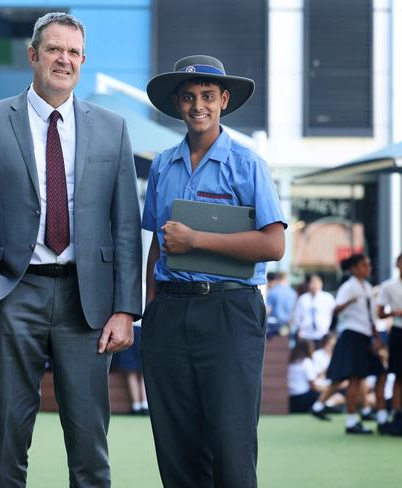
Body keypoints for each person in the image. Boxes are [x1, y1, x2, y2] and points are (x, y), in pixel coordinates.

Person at [0, 12, 141, 487]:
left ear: (83, 61)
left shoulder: (112, 128)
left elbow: (126, 226)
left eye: (74, 52)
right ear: (33, 55)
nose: (65, 59)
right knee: (9, 436)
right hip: (13, 293)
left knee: (89, 439)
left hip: (88, 300)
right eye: (55, 49)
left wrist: (125, 309)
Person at [141, 55, 286, 487]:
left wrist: (197, 240)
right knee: (175, 444)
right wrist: (150, 308)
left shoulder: (248, 164)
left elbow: (274, 244)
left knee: (231, 441)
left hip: (230, 311)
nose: (197, 105)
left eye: (207, 96)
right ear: (177, 104)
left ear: (223, 100)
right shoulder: (163, 165)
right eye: (188, 97)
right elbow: (157, 243)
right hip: (168, 313)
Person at [324, 254, 388, 434]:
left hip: (366, 334)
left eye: (368, 264)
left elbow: (372, 317)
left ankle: (381, 417)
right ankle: (351, 421)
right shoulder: (348, 286)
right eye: (364, 265)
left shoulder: (367, 287)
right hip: (352, 333)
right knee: (355, 377)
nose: (368, 268)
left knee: (380, 373)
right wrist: (349, 302)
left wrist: (377, 339)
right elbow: (336, 309)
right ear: (353, 268)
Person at [377, 252, 402, 435]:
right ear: (398, 264)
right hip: (399, 331)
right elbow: (380, 313)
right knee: (399, 374)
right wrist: (394, 313)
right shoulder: (389, 286)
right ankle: (398, 414)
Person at [112, 323, 148, 415]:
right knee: (141, 371)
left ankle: (138, 405)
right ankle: (143, 405)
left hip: (130, 328)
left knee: (132, 371)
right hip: (140, 328)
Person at [291, 274, 336, 345]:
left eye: (316, 283)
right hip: (306, 333)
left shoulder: (328, 298)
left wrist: (331, 329)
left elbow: (333, 313)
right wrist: (299, 329)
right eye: (312, 283)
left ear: (320, 284)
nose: (314, 286)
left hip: (322, 333)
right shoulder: (303, 299)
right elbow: (297, 316)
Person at [287, 339, 321, 413]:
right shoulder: (306, 362)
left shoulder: (291, 362)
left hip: (291, 398)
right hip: (304, 397)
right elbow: (313, 386)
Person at [266, 271, 297, 336]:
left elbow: (268, 310)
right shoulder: (293, 292)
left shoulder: (273, 291)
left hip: (274, 326)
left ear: (278, 279)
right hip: (288, 325)